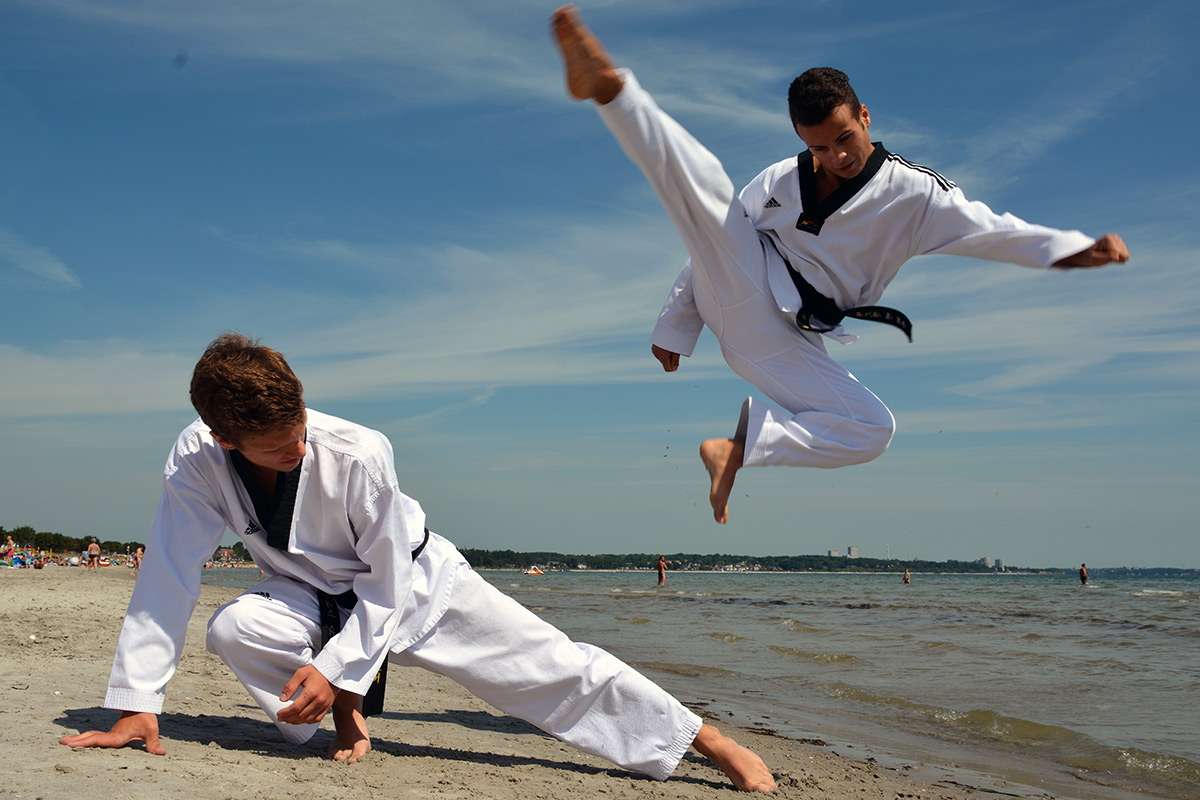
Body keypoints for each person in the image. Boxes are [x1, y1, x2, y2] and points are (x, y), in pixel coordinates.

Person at [59, 334, 776, 793]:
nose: (299, 451)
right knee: (234, 629)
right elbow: (169, 575)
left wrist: (342, 670)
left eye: (301, 431)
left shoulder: (360, 451)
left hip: (415, 581)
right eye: (278, 447)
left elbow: (383, 584)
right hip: (306, 591)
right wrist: (136, 705)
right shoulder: (195, 458)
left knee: (553, 666)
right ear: (223, 439)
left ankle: (705, 741)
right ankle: (330, 719)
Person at [550, 6, 1129, 524]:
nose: (837, 156)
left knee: (873, 428)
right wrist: (676, 322)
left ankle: (739, 450)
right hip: (742, 281)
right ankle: (611, 89)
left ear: (866, 117)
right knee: (705, 198)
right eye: (820, 146)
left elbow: (990, 229)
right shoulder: (781, 177)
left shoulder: (914, 196)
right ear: (803, 139)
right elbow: (710, 242)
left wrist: (1071, 249)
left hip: (785, 339)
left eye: (844, 138)